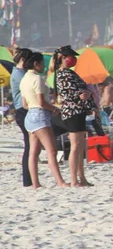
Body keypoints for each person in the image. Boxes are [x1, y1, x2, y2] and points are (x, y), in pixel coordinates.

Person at [20, 52, 68, 188]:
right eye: (42, 63)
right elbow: (41, 102)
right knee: (51, 151)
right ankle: (60, 182)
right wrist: (54, 108)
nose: (44, 66)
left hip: (29, 115)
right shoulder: (38, 79)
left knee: (33, 152)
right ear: (36, 64)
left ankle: (35, 183)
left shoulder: (24, 79)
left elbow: (24, 104)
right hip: (40, 115)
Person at [53, 45, 95, 187]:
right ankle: (73, 179)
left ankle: (81, 178)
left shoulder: (68, 73)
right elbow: (66, 94)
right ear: (64, 58)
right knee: (76, 146)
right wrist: (81, 95)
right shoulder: (63, 73)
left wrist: (86, 94)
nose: (74, 59)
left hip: (78, 111)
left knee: (80, 146)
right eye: (71, 57)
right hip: (73, 112)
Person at [10, 47, 33, 187]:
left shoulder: (20, 73)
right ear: (24, 60)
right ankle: (27, 179)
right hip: (23, 110)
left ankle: (29, 179)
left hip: (23, 110)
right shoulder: (20, 74)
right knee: (29, 146)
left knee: (31, 146)